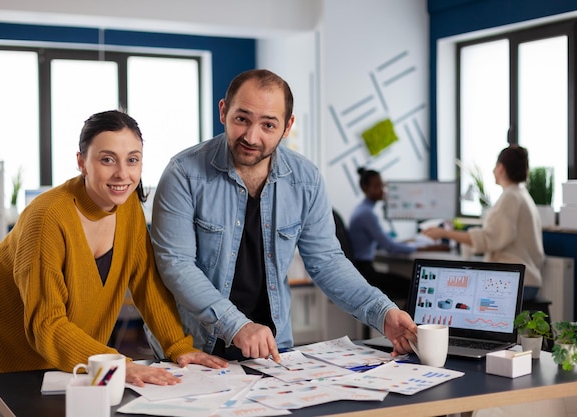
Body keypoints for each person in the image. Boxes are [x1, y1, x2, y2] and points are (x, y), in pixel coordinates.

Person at [0, 110, 227, 417]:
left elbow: (147, 285)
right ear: (81, 162)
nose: (122, 174)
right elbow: (46, 324)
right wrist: (119, 365)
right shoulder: (47, 218)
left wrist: (179, 347)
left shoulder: (128, 211)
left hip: (56, 354)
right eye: (107, 159)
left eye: (132, 159)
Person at [146, 69, 417, 363]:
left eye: (268, 125)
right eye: (242, 119)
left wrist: (383, 311)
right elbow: (176, 265)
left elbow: (328, 262)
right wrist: (237, 325)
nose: (252, 136)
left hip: (273, 347)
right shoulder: (184, 173)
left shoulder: (306, 180)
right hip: (194, 346)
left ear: (287, 127)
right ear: (224, 111)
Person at [423, 144, 544, 301]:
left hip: (515, 282)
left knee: (452, 294)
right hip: (525, 279)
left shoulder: (510, 198)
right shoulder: (522, 195)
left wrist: (444, 233)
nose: (493, 170)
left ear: (501, 168)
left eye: (495, 166)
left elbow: (488, 239)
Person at [348, 168, 417, 303]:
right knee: (413, 286)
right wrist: (419, 248)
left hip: (362, 269)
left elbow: (381, 243)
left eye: (383, 185)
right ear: (365, 188)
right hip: (365, 272)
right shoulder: (367, 214)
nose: (383, 190)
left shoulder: (363, 209)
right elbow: (389, 247)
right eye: (377, 186)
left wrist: (405, 243)